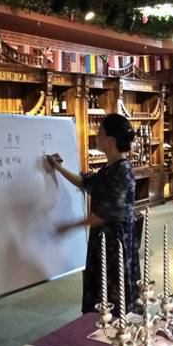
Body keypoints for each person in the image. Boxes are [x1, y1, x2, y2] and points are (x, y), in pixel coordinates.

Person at [46, 113, 141, 316]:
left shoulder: (122, 172)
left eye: (100, 133)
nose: (96, 137)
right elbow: (85, 183)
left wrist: (67, 226)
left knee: (114, 296)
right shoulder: (110, 167)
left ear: (111, 140)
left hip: (115, 244)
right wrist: (59, 168)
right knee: (100, 291)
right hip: (103, 240)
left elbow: (102, 215)